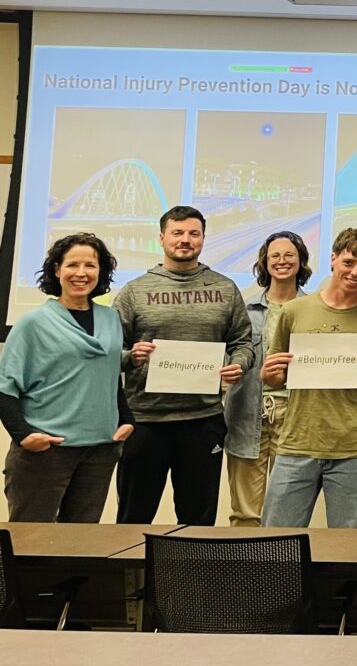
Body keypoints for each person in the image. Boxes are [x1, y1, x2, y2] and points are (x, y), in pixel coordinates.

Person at [114, 206, 253, 525]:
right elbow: (111, 350)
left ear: (203, 239)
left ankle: (195, 577)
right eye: (177, 233)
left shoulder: (225, 288)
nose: (185, 240)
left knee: (198, 521)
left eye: (194, 233)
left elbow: (242, 342)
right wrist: (130, 356)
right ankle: (132, 576)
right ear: (162, 237)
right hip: (144, 421)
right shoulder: (135, 291)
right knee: (133, 517)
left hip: (202, 420)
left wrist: (238, 364)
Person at [260, 228, 357, 528]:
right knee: (275, 540)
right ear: (333, 259)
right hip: (297, 440)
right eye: (349, 262)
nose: (356, 272)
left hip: (354, 445)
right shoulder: (295, 311)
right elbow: (275, 377)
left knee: (349, 547)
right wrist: (268, 375)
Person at [0, 233, 133, 522]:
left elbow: (109, 378)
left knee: (81, 546)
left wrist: (127, 421)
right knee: (30, 544)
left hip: (100, 450)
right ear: (57, 270)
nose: (81, 273)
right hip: (46, 452)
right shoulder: (32, 323)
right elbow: (4, 388)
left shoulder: (110, 319)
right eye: (72, 265)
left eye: (91, 265)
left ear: (102, 272)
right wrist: (24, 436)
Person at [222, 231, 311, 527]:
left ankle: (283, 571)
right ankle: (245, 572)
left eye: (289, 255)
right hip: (248, 416)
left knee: (288, 513)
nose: (282, 261)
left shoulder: (314, 312)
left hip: (297, 419)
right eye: (275, 255)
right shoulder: (242, 310)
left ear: (301, 262)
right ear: (264, 262)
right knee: (245, 512)